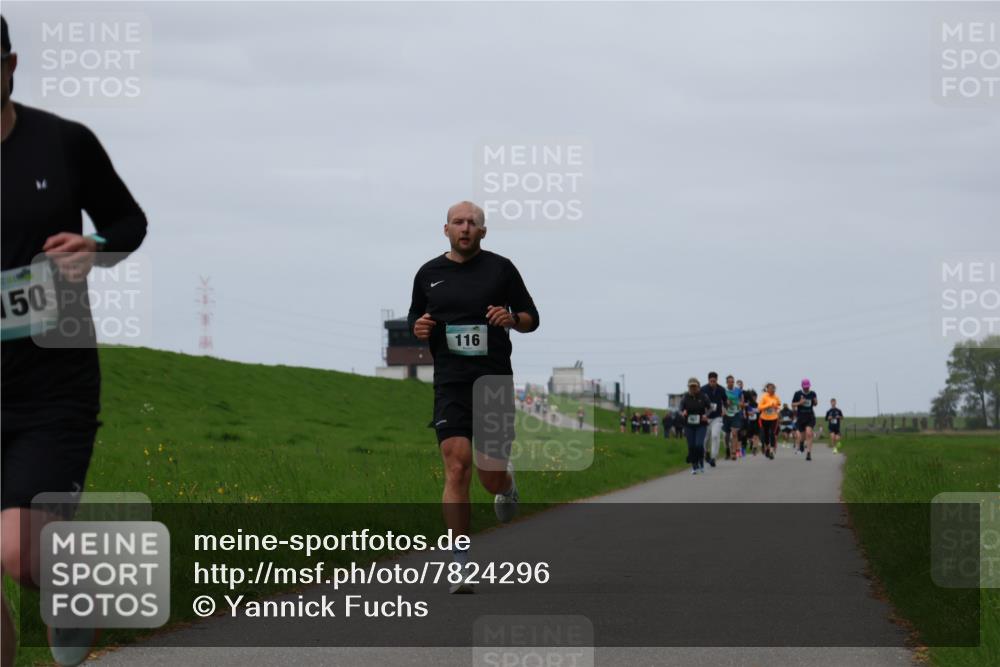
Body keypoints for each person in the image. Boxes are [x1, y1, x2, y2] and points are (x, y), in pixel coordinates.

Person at [1, 16, 149, 667]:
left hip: (49, 388)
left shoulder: (62, 143)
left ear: (8, 67)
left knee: (17, 549)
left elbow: (129, 220)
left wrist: (98, 246)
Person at [408, 200, 539, 593]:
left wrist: (512, 319)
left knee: (489, 475)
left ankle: (507, 484)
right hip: (451, 382)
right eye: (458, 222)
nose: (465, 228)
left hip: (493, 381)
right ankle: (460, 563)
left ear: (483, 232)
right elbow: (417, 319)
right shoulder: (428, 274)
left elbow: (532, 317)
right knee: (457, 466)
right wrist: (419, 328)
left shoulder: (501, 268)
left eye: (473, 223)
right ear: (445, 229)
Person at [680, 378, 711, 474]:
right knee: (691, 446)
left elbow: (710, 408)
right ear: (688, 387)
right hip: (689, 425)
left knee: (698, 445)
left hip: (701, 424)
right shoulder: (685, 397)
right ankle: (694, 466)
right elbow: (680, 408)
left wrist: (707, 415)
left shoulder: (703, 396)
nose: (693, 388)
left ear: (698, 387)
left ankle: (701, 461)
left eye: (694, 386)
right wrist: (683, 412)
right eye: (691, 386)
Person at [701, 371, 727, 467]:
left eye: (714, 381)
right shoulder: (703, 389)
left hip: (717, 417)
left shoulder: (721, 389)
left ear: (717, 380)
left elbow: (725, 401)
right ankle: (706, 452)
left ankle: (713, 458)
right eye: (711, 381)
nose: (712, 383)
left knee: (715, 436)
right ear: (708, 380)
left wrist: (725, 409)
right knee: (705, 439)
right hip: (706, 417)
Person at [792, 378, 818, 461]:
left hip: (810, 416)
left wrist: (815, 402)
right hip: (801, 417)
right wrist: (800, 403)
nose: (806, 388)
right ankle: (802, 443)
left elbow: (816, 403)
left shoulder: (813, 393)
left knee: (809, 433)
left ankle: (808, 453)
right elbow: (792, 404)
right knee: (802, 436)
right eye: (805, 387)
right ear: (802, 386)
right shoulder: (797, 393)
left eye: (807, 386)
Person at [722, 375, 744, 461]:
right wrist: (726, 404)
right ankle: (727, 448)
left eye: (732, 382)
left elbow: (742, 403)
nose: (731, 383)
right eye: (729, 382)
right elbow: (721, 402)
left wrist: (739, 404)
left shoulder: (738, 391)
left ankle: (733, 452)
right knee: (727, 435)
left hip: (736, 413)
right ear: (727, 382)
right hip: (726, 414)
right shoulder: (724, 391)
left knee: (734, 433)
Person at [758, 383, 782, 459]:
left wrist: (776, 406)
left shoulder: (776, 397)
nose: (772, 390)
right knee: (765, 435)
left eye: (773, 388)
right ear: (767, 389)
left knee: (772, 434)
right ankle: (767, 448)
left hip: (773, 418)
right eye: (770, 388)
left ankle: (771, 451)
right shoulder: (764, 397)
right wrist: (768, 405)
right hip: (764, 418)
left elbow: (779, 405)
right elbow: (759, 407)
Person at [743, 390, 761, 455]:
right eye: (753, 397)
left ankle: (754, 448)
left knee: (756, 435)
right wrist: (749, 413)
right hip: (749, 422)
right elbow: (746, 412)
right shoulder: (748, 404)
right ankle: (751, 442)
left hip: (757, 422)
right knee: (749, 437)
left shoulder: (758, 405)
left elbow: (760, 412)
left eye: (755, 397)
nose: (754, 398)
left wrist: (757, 412)